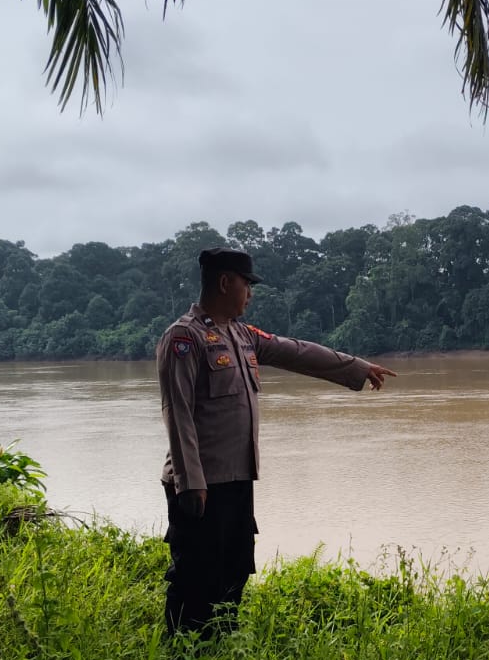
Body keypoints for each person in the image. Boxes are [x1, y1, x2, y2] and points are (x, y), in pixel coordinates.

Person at [155, 246, 396, 640]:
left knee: (234, 568)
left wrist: (357, 367)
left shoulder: (241, 335)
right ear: (224, 282)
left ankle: (219, 648)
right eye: (246, 284)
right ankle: (182, 654)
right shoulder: (184, 338)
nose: (250, 293)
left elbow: (297, 352)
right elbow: (176, 412)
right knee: (196, 572)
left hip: (237, 478)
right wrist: (190, 482)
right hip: (201, 482)